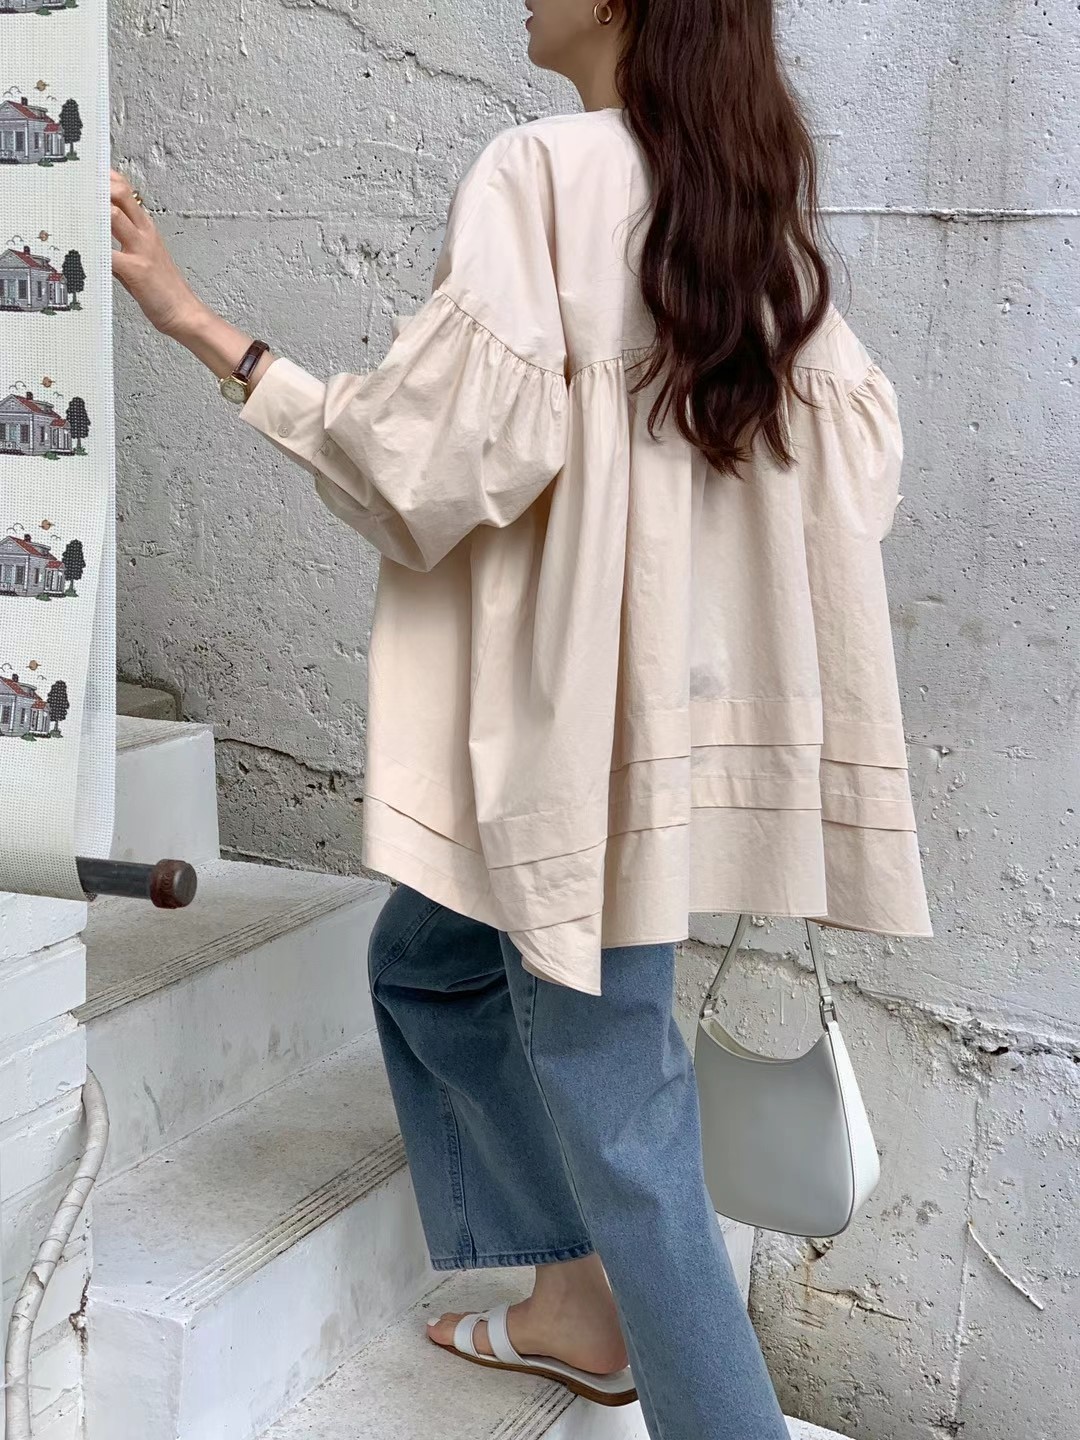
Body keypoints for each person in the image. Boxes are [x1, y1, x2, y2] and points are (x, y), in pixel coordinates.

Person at [112, 2, 932, 1436]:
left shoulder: (543, 173)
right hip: (651, 734)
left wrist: (202, 327)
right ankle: (573, 1304)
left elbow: (422, 462)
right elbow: (857, 468)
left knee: (619, 1095)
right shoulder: (745, 212)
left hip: (569, 741)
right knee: (428, 961)